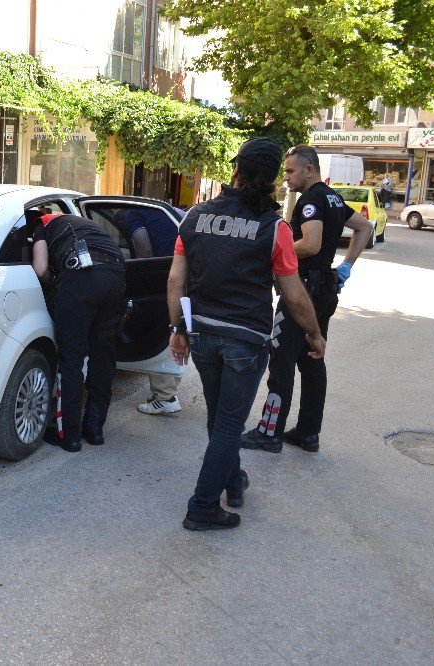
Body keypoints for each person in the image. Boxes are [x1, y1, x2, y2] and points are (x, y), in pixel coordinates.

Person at [168, 137, 327, 531]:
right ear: (273, 177)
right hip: (245, 341)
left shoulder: (194, 217)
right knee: (228, 424)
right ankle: (202, 506)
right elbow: (292, 292)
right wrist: (314, 332)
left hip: (202, 335)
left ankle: (234, 482)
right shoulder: (274, 228)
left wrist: (177, 328)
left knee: (220, 416)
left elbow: (175, 281)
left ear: (236, 168)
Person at [241, 145, 372, 455]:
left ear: (308, 170)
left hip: (304, 289)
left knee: (282, 360)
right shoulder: (333, 196)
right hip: (326, 286)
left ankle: (269, 432)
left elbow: (310, 245)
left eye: (290, 171)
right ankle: (307, 432)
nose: (286, 178)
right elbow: (364, 227)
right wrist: (346, 266)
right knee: (313, 358)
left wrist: (272, 252)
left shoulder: (311, 200)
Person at [32, 212, 126, 452]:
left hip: (81, 275)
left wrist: (56, 282)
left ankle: (70, 436)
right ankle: (94, 430)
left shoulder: (41, 224)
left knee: (71, 359)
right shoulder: (83, 222)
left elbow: (41, 269)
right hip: (116, 276)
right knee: (103, 355)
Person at [117, 207, 187, 416]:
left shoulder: (132, 215)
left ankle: (166, 397)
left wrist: (136, 276)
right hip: (187, 271)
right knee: (176, 329)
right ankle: (168, 392)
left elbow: (144, 250)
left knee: (161, 328)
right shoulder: (164, 211)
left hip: (166, 273)